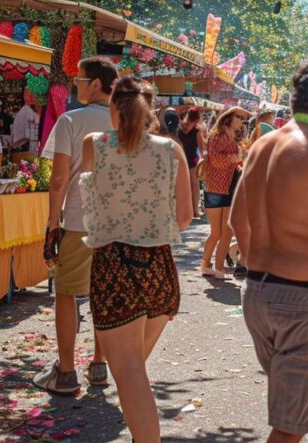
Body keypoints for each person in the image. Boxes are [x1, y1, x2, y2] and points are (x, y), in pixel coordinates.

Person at [230, 54, 308, 442]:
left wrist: (260, 268)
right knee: (289, 428)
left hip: (256, 293)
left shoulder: (260, 146)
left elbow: (238, 222)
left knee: (287, 415)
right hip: (301, 297)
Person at [78, 76, 193, 442]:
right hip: (159, 267)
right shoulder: (171, 149)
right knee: (133, 371)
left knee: (127, 372)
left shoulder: (95, 145)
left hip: (114, 266)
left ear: (113, 106)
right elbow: (185, 217)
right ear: (151, 109)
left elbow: (90, 206)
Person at [34, 56, 118, 395]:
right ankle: (99, 365)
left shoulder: (70, 121)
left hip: (79, 219)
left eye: (79, 80)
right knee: (105, 293)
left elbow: (58, 180)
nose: (75, 86)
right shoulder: (126, 122)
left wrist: (52, 224)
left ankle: (66, 370)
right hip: (116, 225)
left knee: (67, 293)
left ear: (96, 83)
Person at [200, 106, 248, 280]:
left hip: (230, 187)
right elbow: (217, 161)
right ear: (228, 117)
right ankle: (205, 264)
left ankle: (219, 268)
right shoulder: (216, 136)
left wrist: (240, 158)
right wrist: (235, 158)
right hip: (215, 188)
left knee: (227, 231)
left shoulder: (236, 137)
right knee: (216, 232)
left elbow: (237, 161)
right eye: (239, 117)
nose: (242, 121)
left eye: (243, 119)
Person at [178, 107, 205, 219]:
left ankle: (194, 210)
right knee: (192, 185)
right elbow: (202, 148)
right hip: (188, 158)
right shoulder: (185, 129)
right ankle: (193, 210)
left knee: (192, 185)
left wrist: (203, 159)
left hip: (188, 159)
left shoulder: (192, 130)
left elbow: (202, 148)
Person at [11, 86, 42, 154]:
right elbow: (30, 137)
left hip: (24, 149)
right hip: (25, 150)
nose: (33, 97)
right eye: (31, 94)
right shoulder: (27, 111)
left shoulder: (29, 110)